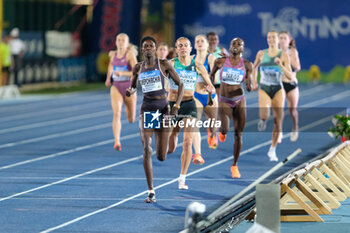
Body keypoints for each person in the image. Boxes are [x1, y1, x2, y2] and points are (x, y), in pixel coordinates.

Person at [126, 36, 184, 203]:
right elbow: (133, 86)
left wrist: (176, 107)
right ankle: (151, 191)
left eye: (151, 45)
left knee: (161, 156)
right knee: (146, 149)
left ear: (155, 48)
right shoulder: (138, 67)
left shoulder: (164, 64)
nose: (149, 48)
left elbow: (180, 84)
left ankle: (172, 135)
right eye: (146, 46)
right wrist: (130, 92)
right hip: (147, 110)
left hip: (163, 109)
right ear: (142, 49)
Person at [167, 37, 215, 190]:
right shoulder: (171, 63)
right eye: (180, 46)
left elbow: (211, 85)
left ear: (190, 49)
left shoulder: (198, 65)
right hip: (173, 105)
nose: (183, 48)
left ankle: (182, 178)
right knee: (171, 145)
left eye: (185, 46)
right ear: (176, 49)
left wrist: (210, 89)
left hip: (189, 104)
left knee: (187, 142)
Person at [210, 38, 252, 178]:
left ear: (242, 48)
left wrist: (249, 85)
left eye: (239, 44)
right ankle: (221, 133)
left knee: (238, 135)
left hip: (239, 100)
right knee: (225, 128)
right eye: (233, 44)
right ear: (230, 46)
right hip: (224, 100)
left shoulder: (246, 64)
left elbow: (249, 84)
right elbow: (211, 75)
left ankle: (234, 165)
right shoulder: (221, 61)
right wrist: (210, 91)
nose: (236, 46)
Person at [252, 30, 292, 161]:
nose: (271, 40)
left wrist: (281, 65)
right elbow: (254, 67)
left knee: (278, 122)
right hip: (264, 87)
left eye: (273, 37)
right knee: (265, 114)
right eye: (269, 37)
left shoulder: (283, 55)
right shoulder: (261, 53)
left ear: (277, 40)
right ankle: (262, 120)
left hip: (278, 89)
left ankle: (272, 149)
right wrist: (254, 81)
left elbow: (290, 76)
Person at [105, 33, 138, 151]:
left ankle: (127, 105)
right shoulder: (112, 54)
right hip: (116, 86)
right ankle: (117, 141)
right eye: (118, 40)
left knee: (131, 118)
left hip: (129, 87)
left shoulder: (130, 55)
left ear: (127, 42)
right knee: (116, 114)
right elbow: (111, 65)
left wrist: (123, 73)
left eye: (123, 40)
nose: (120, 42)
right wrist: (108, 78)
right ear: (115, 42)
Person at [192, 34, 218, 165]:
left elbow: (216, 78)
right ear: (194, 45)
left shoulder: (211, 58)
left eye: (202, 41)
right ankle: (198, 154)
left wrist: (208, 83)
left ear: (207, 45)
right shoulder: (190, 59)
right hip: (195, 95)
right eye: (197, 41)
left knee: (213, 126)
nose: (200, 43)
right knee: (193, 123)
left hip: (209, 95)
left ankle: (212, 134)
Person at [279, 31, 301, 142]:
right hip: (280, 84)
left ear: (289, 40)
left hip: (291, 84)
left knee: (292, 110)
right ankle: (279, 131)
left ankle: (295, 127)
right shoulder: (275, 53)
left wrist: (288, 58)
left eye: (284, 38)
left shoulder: (293, 51)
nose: (282, 40)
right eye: (280, 38)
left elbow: (297, 67)